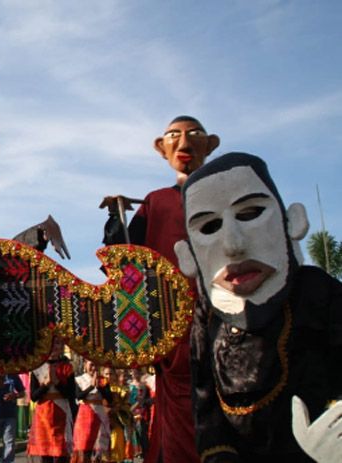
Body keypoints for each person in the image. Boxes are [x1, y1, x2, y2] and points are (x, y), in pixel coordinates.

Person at [173, 152, 342, 462]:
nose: (233, 245)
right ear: (187, 257)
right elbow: (207, 406)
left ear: (292, 221)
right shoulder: (206, 317)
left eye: (250, 213)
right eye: (209, 226)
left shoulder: (316, 293)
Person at [100, 115, 220, 463]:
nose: (184, 145)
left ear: (210, 145)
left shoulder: (223, 193)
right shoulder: (156, 202)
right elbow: (127, 253)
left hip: (222, 313)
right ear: (161, 147)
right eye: (174, 137)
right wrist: (115, 220)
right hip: (172, 324)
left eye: (194, 136)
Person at [27, 346, 77, 463]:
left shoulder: (67, 367)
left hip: (62, 413)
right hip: (43, 415)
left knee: (61, 453)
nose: (54, 347)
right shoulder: (37, 368)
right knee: (45, 454)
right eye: (51, 344)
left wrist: (57, 383)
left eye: (58, 344)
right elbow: (34, 396)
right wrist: (46, 384)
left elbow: (71, 394)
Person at [71, 360, 112, 463]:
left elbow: (110, 398)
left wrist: (100, 387)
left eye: (96, 365)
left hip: (100, 413)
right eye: (91, 365)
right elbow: (78, 396)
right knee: (84, 445)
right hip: (85, 413)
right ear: (85, 365)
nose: (94, 368)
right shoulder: (79, 379)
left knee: (100, 446)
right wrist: (91, 387)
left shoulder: (103, 380)